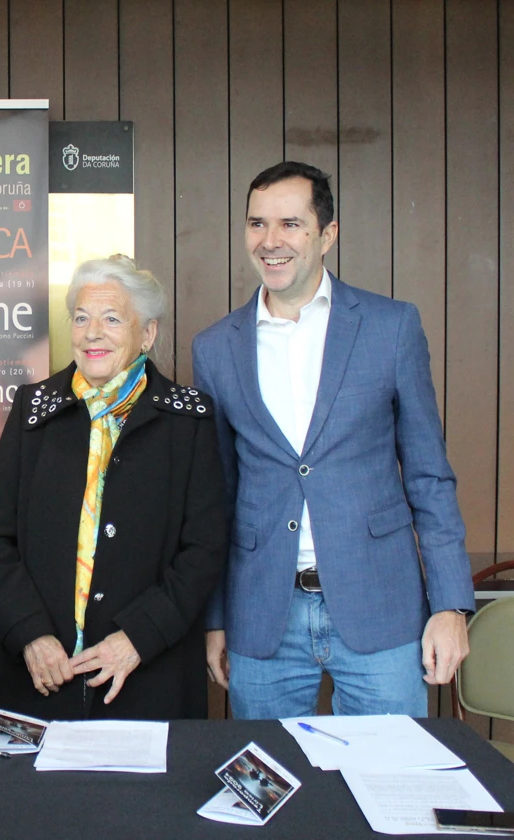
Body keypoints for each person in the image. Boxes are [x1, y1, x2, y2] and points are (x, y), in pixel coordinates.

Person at [192, 161, 475, 718]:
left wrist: (449, 605)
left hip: (382, 606)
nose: (270, 241)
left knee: (389, 790)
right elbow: (215, 497)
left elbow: (429, 475)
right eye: (256, 224)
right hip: (262, 615)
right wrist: (217, 617)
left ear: (328, 234)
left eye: (291, 224)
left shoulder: (391, 327)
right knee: (269, 792)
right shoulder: (215, 348)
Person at [0, 255, 227, 721]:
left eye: (112, 318)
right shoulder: (34, 410)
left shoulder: (188, 420)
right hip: (42, 677)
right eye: (82, 317)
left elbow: (204, 549)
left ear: (147, 333)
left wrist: (138, 639)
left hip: (149, 674)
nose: (93, 332)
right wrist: (31, 634)